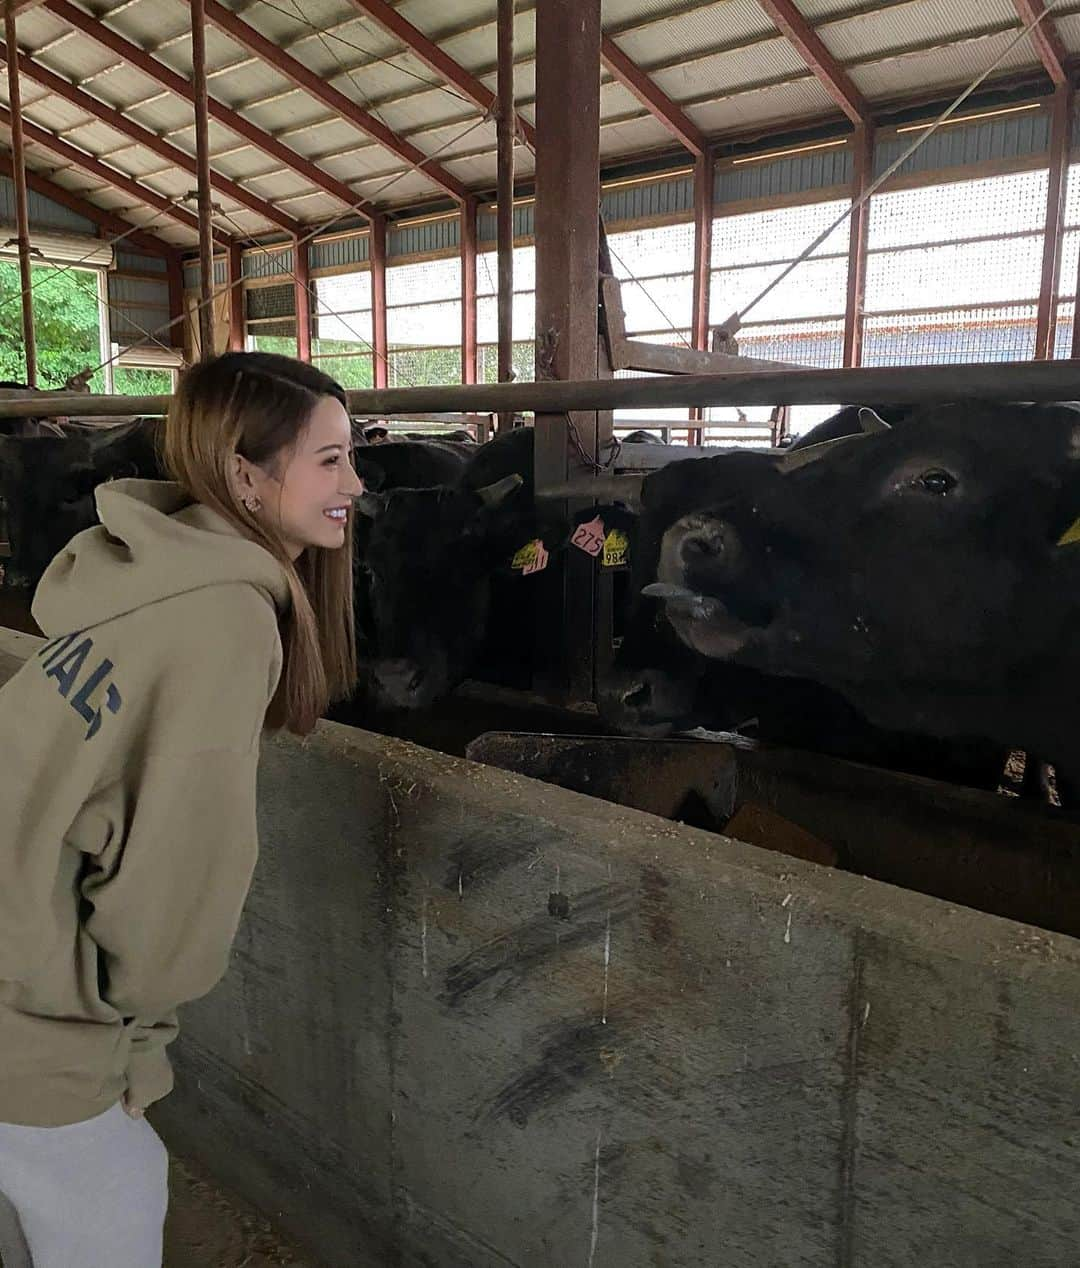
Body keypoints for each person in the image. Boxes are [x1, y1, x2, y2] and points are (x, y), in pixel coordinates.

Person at [0, 351, 363, 1267]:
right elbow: (168, 893)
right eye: (329, 460)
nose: (355, 484)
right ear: (246, 474)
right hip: (30, 1025)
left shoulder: (143, 576)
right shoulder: (224, 624)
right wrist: (139, 1042)